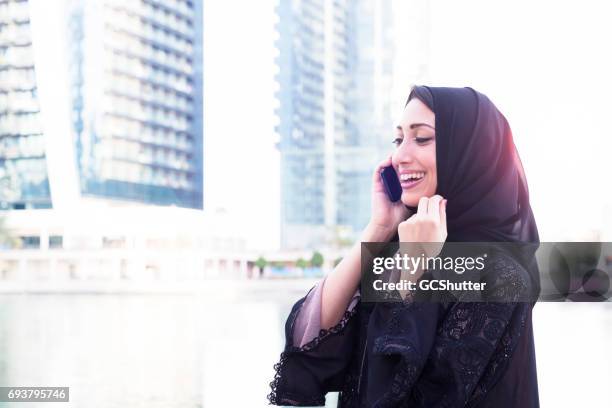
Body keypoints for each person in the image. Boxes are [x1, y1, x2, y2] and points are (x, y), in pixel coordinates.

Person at [268, 86, 540, 407]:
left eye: (421, 138)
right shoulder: (399, 247)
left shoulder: (498, 275)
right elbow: (307, 343)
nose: (400, 156)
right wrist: (379, 228)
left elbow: (400, 396)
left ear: (469, 152)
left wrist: (413, 272)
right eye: (398, 140)